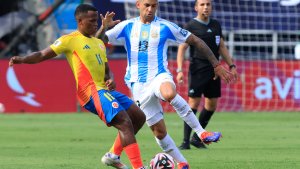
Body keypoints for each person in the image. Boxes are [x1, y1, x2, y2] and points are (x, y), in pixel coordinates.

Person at [97, 0, 234, 168]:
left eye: (154, 6)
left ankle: (202, 132)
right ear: (138, 5)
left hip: (160, 76)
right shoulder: (127, 26)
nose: (150, 9)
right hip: (138, 85)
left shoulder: (165, 26)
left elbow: (197, 41)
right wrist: (104, 27)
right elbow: (98, 42)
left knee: (169, 93)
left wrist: (216, 65)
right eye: (147, 5)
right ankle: (183, 163)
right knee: (159, 132)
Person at [8, 4, 147, 169]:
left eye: (97, 21)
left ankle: (113, 156)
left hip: (104, 89)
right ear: (79, 21)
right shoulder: (70, 40)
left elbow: (107, 72)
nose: (95, 23)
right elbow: (42, 54)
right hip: (91, 92)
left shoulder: (99, 43)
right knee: (124, 122)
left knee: (138, 117)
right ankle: (139, 167)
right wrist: (22, 59)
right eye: (92, 21)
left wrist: (111, 79)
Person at [176, 0, 239, 150]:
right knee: (193, 104)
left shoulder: (216, 24)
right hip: (198, 68)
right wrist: (179, 70)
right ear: (196, 7)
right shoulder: (191, 25)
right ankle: (185, 141)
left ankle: (197, 138)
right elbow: (182, 48)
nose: (206, 7)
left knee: (212, 104)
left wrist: (231, 65)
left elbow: (221, 46)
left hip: (215, 70)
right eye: (202, 4)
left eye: (208, 4)